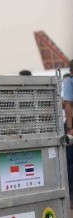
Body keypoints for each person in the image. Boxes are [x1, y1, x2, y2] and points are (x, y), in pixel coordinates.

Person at [62, 59, 73, 208]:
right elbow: (68, 105)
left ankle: (70, 196)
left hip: (72, 124)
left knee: (70, 161)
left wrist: (70, 127)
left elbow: (68, 105)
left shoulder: (69, 82)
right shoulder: (69, 81)